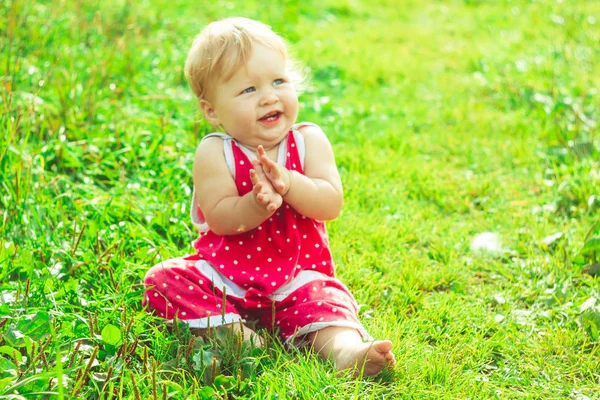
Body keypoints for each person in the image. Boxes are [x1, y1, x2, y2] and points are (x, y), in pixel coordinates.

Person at [143, 17, 395, 376]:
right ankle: (239, 337)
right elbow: (220, 217)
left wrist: (290, 183)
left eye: (279, 80)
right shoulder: (215, 152)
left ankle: (345, 352)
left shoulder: (308, 141)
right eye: (248, 90)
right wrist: (256, 204)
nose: (269, 96)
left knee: (326, 303)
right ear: (212, 110)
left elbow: (330, 203)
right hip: (225, 279)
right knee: (164, 279)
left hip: (297, 278)